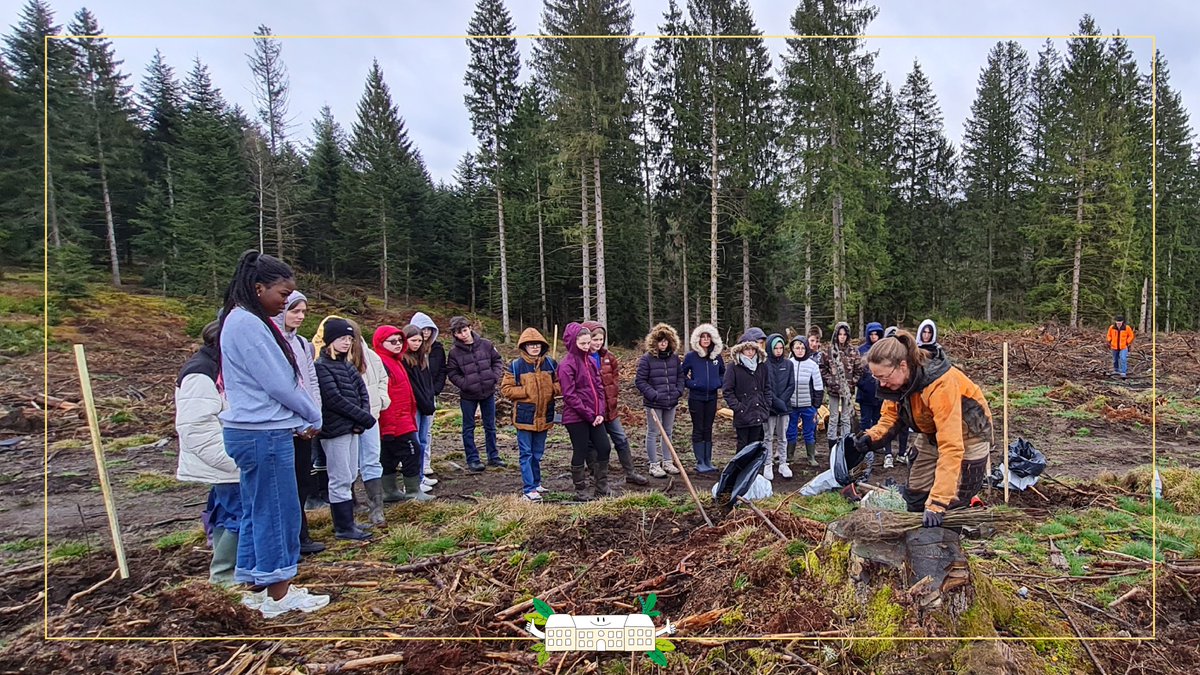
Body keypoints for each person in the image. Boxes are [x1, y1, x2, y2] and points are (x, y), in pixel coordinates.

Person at [215, 250, 328, 618]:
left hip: (258, 429)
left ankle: (257, 584)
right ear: (258, 287)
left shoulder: (243, 321)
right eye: (282, 295)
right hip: (262, 434)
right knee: (278, 511)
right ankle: (279, 594)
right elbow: (279, 383)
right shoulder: (247, 324)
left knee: (258, 507)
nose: (285, 304)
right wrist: (312, 414)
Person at [854, 330, 994, 527]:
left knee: (951, 503)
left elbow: (952, 446)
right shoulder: (898, 382)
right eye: (877, 378)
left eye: (884, 377)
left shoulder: (940, 384)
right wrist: (870, 438)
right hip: (931, 432)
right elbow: (891, 417)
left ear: (902, 366)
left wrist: (937, 502)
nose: (882, 383)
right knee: (916, 493)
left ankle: (945, 543)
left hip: (968, 436)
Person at [175, 321, 241, 585]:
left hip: (232, 457)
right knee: (240, 513)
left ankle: (227, 571)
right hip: (226, 460)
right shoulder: (201, 373)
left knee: (229, 511)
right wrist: (234, 461)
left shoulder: (222, 368)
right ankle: (225, 575)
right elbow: (196, 426)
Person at [271, 293, 325, 553]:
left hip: (306, 425)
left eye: (303, 311)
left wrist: (316, 414)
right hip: (282, 427)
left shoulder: (303, 344)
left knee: (303, 480)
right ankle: (289, 539)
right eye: (295, 311)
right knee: (285, 485)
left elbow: (311, 381)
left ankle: (302, 534)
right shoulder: (271, 342)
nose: (301, 316)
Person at [314, 318, 377, 541]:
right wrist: (363, 418)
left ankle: (349, 522)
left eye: (350, 339)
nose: (346, 342)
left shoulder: (348, 366)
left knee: (351, 474)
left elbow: (362, 394)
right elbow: (333, 399)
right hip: (335, 430)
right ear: (330, 340)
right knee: (340, 477)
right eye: (342, 338)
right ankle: (343, 526)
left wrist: (362, 420)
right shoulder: (321, 367)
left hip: (352, 429)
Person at [372, 325, 435, 503]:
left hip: (404, 417)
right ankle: (412, 491)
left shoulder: (396, 360)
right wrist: (389, 426)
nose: (398, 344)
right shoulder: (382, 364)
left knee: (391, 455)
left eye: (400, 341)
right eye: (392, 341)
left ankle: (391, 491)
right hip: (394, 421)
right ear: (381, 342)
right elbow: (386, 396)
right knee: (411, 451)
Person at [584, 321, 649, 485]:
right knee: (593, 444)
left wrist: (612, 399)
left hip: (610, 410)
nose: (598, 343)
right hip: (592, 412)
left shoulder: (608, 357)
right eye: (594, 339)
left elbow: (614, 380)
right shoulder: (581, 360)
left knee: (621, 438)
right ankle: (595, 474)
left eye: (600, 339)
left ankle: (630, 472)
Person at [500, 328, 560, 502]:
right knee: (526, 453)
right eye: (531, 345)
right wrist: (527, 390)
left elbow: (560, 384)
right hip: (525, 416)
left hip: (545, 414)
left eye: (537, 345)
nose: (534, 347)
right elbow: (506, 389)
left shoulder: (550, 364)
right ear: (524, 346)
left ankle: (536, 482)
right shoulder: (516, 366)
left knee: (538, 452)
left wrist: (551, 390)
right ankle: (529, 488)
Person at [559, 322, 611, 501]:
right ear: (573, 343)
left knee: (604, 447)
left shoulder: (590, 361)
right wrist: (589, 414)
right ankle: (581, 489)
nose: (587, 347)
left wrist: (600, 412)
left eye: (588, 343)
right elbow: (570, 396)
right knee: (580, 450)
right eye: (583, 344)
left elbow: (599, 388)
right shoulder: (566, 365)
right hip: (576, 417)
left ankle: (601, 487)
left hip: (595, 416)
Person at [446, 316, 505, 472]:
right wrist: (465, 384)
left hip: (488, 392)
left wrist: (493, 377)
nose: (463, 335)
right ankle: (472, 459)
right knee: (468, 427)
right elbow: (452, 372)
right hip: (468, 396)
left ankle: (493, 456)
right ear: (454, 334)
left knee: (490, 425)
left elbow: (497, 361)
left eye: (465, 330)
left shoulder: (486, 345)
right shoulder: (454, 353)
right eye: (459, 333)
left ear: (470, 328)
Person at [635, 323, 686, 479]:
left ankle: (667, 461)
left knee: (668, 432)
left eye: (666, 341)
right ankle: (654, 464)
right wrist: (654, 395)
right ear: (654, 342)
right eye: (660, 340)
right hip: (654, 403)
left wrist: (678, 391)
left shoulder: (674, 359)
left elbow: (680, 377)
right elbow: (640, 381)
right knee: (653, 432)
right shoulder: (647, 359)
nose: (663, 344)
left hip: (671, 402)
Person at [682, 323, 725, 474]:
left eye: (708, 337)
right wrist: (692, 384)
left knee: (708, 428)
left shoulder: (716, 357)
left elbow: (722, 373)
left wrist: (718, 383)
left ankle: (708, 460)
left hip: (712, 397)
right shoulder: (691, 357)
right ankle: (700, 461)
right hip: (696, 398)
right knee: (698, 428)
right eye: (703, 337)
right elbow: (682, 374)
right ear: (698, 339)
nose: (706, 340)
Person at [399, 325, 437, 496]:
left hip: (425, 405)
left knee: (423, 441)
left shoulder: (422, 358)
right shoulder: (404, 360)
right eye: (413, 340)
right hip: (414, 406)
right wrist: (424, 402)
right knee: (414, 443)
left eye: (419, 341)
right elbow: (412, 387)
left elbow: (427, 382)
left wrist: (429, 400)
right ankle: (413, 481)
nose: (416, 343)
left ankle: (421, 475)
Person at [410, 312, 444, 486]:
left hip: (429, 396)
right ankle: (414, 474)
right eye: (423, 329)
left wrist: (435, 390)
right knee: (414, 436)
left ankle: (424, 468)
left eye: (429, 330)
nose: (426, 333)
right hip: (415, 400)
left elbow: (440, 372)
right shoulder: (409, 355)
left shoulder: (436, 349)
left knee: (426, 433)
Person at [723, 330, 770, 450]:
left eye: (753, 349)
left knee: (756, 445)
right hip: (743, 413)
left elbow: (767, 387)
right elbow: (728, 390)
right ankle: (741, 469)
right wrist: (738, 407)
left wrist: (766, 404)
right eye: (747, 349)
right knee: (743, 445)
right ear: (741, 350)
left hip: (758, 411)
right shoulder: (733, 367)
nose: (750, 352)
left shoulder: (762, 365)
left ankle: (754, 469)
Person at [820, 322, 862, 450]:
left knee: (845, 417)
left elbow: (859, 370)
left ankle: (845, 443)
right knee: (833, 418)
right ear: (836, 335)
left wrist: (852, 382)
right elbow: (822, 368)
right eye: (840, 334)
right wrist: (830, 381)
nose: (842, 337)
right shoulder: (829, 350)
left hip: (847, 391)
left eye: (844, 334)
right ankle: (832, 445)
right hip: (833, 390)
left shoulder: (853, 351)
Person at [787, 335, 824, 467]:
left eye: (802, 348)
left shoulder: (812, 365)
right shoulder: (789, 363)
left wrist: (816, 406)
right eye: (797, 348)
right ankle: (789, 456)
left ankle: (811, 456)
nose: (800, 350)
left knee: (809, 432)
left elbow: (818, 387)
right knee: (791, 431)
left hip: (808, 406)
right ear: (792, 349)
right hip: (791, 406)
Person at [763, 333, 796, 480]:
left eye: (781, 348)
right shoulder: (764, 364)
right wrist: (774, 401)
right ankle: (768, 463)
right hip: (769, 406)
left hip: (784, 407)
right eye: (775, 348)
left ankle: (783, 463)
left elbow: (791, 385)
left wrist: (782, 401)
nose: (778, 350)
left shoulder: (788, 364)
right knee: (768, 437)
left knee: (783, 437)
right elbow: (764, 386)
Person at [857, 322, 888, 467]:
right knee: (865, 421)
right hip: (865, 392)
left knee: (878, 419)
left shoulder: (884, 350)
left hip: (880, 392)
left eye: (877, 334)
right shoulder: (861, 350)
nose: (874, 336)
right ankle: (863, 445)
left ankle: (876, 443)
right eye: (872, 334)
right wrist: (862, 385)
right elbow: (857, 372)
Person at [1106, 315, 1135, 380]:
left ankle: (1123, 372)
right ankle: (1116, 370)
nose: (1118, 323)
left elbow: (1131, 335)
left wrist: (1127, 342)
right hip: (1114, 346)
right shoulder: (1112, 327)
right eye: (1117, 321)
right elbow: (1109, 335)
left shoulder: (1127, 328)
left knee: (1123, 358)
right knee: (1115, 359)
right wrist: (1109, 340)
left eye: (1120, 322)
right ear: (1115, 322)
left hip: (1123, 346)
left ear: (1122, 322)